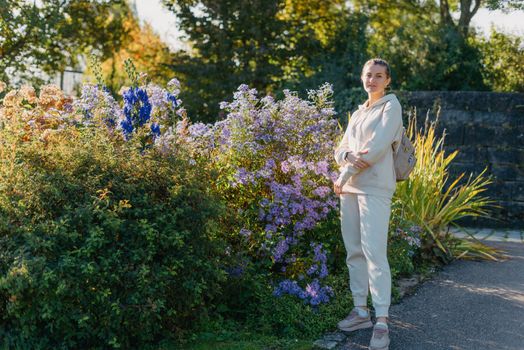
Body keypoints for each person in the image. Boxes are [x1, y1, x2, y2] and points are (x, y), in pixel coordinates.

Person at [333, 58, 403, 350]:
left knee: (375, 253)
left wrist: (346, 170)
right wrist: (346, 159)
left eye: (378, 76)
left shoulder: (391, 106)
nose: (372, 80)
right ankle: (361, 311)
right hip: (349, 189)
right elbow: (341, 149)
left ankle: (382, 321)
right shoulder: (359, 112)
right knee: (355, 252)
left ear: (387, 80)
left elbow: (373, 149)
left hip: (374, 188)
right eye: (368, 75)